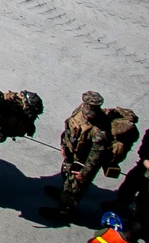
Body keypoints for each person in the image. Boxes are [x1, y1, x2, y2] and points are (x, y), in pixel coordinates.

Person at [41, 91, 112, 221]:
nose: (89, 117)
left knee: (74, 188)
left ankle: (64, 212)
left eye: (92, 114)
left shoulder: (100, 131)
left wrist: (84, 174)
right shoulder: (80, 111)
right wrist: (64, 145)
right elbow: (69, 127)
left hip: (83, 163)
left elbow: (95, 157)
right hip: (72, 153)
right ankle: (63, 193)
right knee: (65, 175)